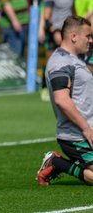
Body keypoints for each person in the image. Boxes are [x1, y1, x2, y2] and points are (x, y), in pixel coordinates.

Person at [36, 15, 93, 186]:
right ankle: (56, 163)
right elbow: (61, 100)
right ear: (73, 36)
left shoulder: (75, 60)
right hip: (76, 136)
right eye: (87, 36)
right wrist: (86, 128)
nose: (90, 40)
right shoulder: (60, 62)